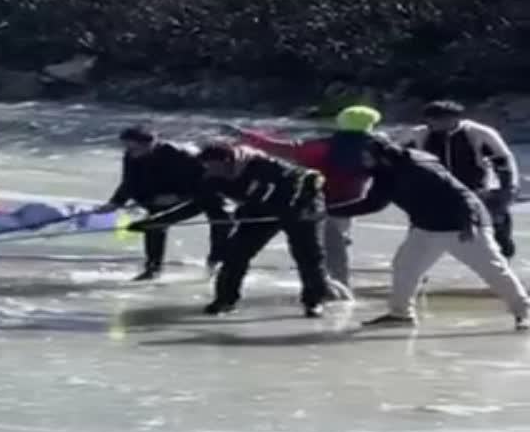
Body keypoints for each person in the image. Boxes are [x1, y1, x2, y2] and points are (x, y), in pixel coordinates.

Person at [336, 137, 529, 330]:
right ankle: (401, 314)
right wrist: (331, 210)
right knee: (404, 266)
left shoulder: (420, 168)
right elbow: (372, 204)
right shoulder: (383, 173)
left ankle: (524, 312)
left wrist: (469, 222)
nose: (361, 160)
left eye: (365, 156)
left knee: (493, 271)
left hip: (462, 225)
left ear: (380, 156)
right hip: (426, 227)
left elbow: (461, 194)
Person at [130, 142, 331, 318]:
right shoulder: (212, 178)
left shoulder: (265, 165)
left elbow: (297, 185)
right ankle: (225, 301)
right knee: (234, 255)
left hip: (301, 208)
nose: (211, 172)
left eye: (215, 167)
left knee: (308, 256)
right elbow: (199, 204)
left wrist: (295, 209)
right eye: (207, 167)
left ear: (229, 161)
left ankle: (314, 301)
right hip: (259, 212)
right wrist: (157, 221)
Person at [224, 105, 381, 294]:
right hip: (350, 204)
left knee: (323, 248)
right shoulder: (377, 150)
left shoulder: (323, 146)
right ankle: (338, 284)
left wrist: (248, 136)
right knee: (337, 245)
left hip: (316, 202)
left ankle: (330, 289)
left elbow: (283, 149)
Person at [95, 127, 234, 280]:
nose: (129, 151)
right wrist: (114, 203)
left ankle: (215, 265)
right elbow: (129, 182)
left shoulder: (181, 154)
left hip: (204, 194)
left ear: (151, 143)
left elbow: (209, 181)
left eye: (133, 147)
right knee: (153, 224)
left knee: (221, 222)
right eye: (126, 146)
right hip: (165, 193)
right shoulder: (131, 155)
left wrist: (179, 197)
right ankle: (153, 269)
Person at [405, 100, 520, 258]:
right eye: (428, 119)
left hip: (476, 190)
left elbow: (503, 162)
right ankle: (414, 268)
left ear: (452, 118)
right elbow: (397, 158)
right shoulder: (419, 134)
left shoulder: (479, 133)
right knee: (420, 231)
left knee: (496, 228)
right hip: (434, 192)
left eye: (435, 119)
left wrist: (507, 190)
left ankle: (503, 260)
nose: (430, 123)